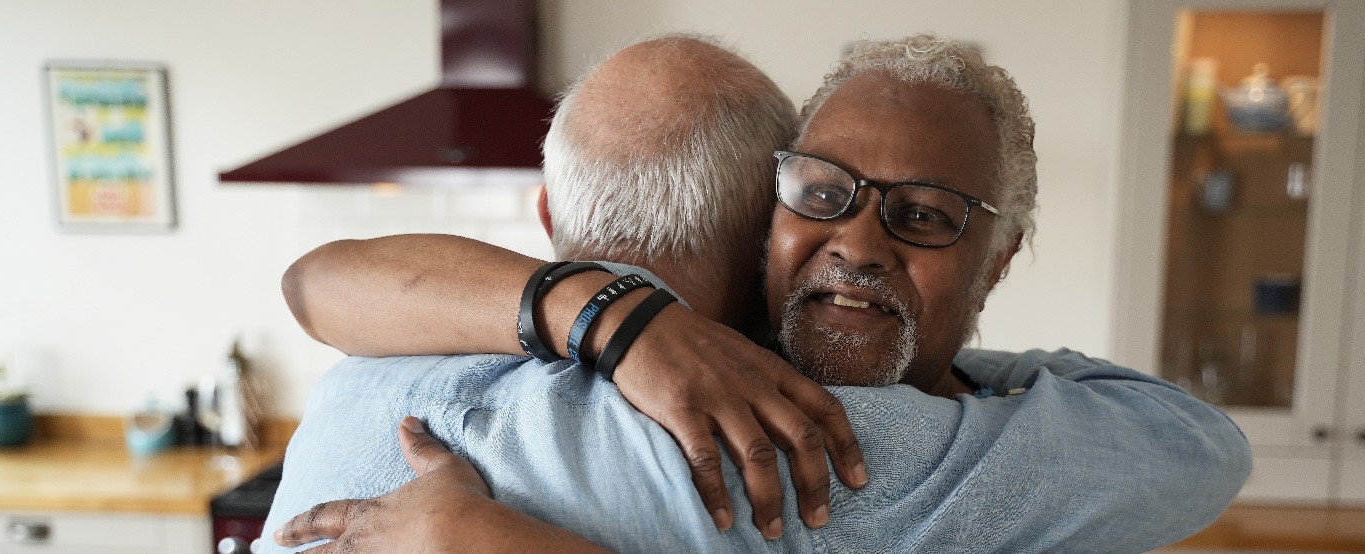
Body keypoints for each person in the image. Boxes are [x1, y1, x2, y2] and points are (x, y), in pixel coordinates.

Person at [264, 34, 1251, 553]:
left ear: (545, 207)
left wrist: (608, 313)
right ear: (763, 232)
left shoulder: (368, 369)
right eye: (823, 196)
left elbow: (311, 282)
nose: (856, 244)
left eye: (927, 214)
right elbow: (1199, 447)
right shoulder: (811, 447)